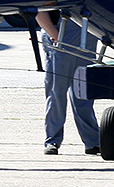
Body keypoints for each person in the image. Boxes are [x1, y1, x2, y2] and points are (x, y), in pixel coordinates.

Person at [36, 9, 99, 155]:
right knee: (56, 92)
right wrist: (55, 35)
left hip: (87, 34)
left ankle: (93, 141)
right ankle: (52, 140)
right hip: (60, 35)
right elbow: (39, 10)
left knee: (84, 93)